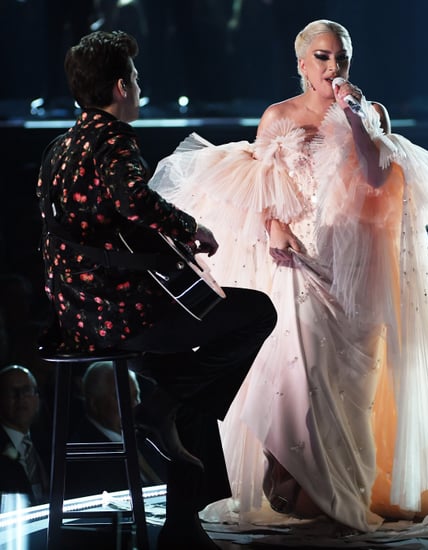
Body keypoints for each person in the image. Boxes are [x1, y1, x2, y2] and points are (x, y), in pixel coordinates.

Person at [148, 19, 428, 548]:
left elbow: (379, 178)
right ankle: (311, 489)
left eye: (340, 57)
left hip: (354, 264)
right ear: (300, 63)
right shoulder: (279, 117)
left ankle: (346, 490)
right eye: (321, 57)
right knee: (301, 366)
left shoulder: (370, 112)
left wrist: (357, 120)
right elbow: (264, 189)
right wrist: (276, 230)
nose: (331, 68)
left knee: (355, 381)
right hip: (297, 262)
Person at [36, 30, 277, 549]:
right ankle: (170, 407)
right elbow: (132, 202)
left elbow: (91, 226)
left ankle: (181, 496)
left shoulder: (60, 146)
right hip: (119, 315)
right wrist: (193, 229)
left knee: (182, 377)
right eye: (138, 80)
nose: (141, 89)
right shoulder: (114, 139)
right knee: (258, 311)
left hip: (72, 316)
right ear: (122, 86)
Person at [65, 361, 166, 498]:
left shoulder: (148, 439)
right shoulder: (80, 452)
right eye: (123, 398)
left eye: (136, 396)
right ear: (95, 404)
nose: (133, 406)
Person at [0, 365, 50, 506]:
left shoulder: (47, 443)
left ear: (37, 397)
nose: (21, 397)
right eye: (12, 391)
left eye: (26, 390)